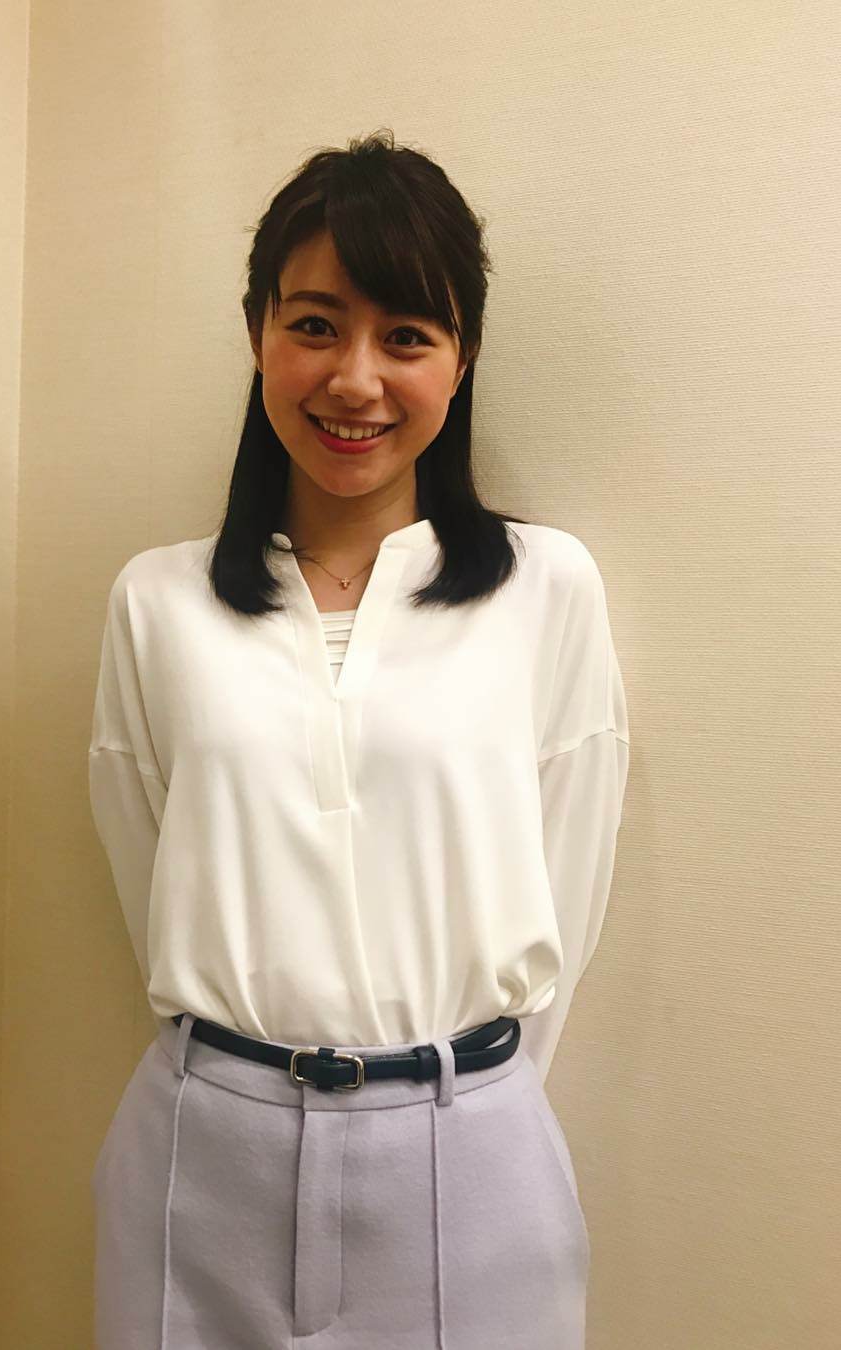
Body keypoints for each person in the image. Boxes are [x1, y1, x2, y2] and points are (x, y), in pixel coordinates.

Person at [87, 129, 629, 1350]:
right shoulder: (156, 601)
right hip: (200, 1155)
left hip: (467, 1151)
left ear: (463, 357)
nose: (355, 381)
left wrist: (451, 1100)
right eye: (316, 326)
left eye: (408, 336)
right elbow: (147, 866)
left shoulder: (547, 588)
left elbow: (571, 872)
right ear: (259, 334)